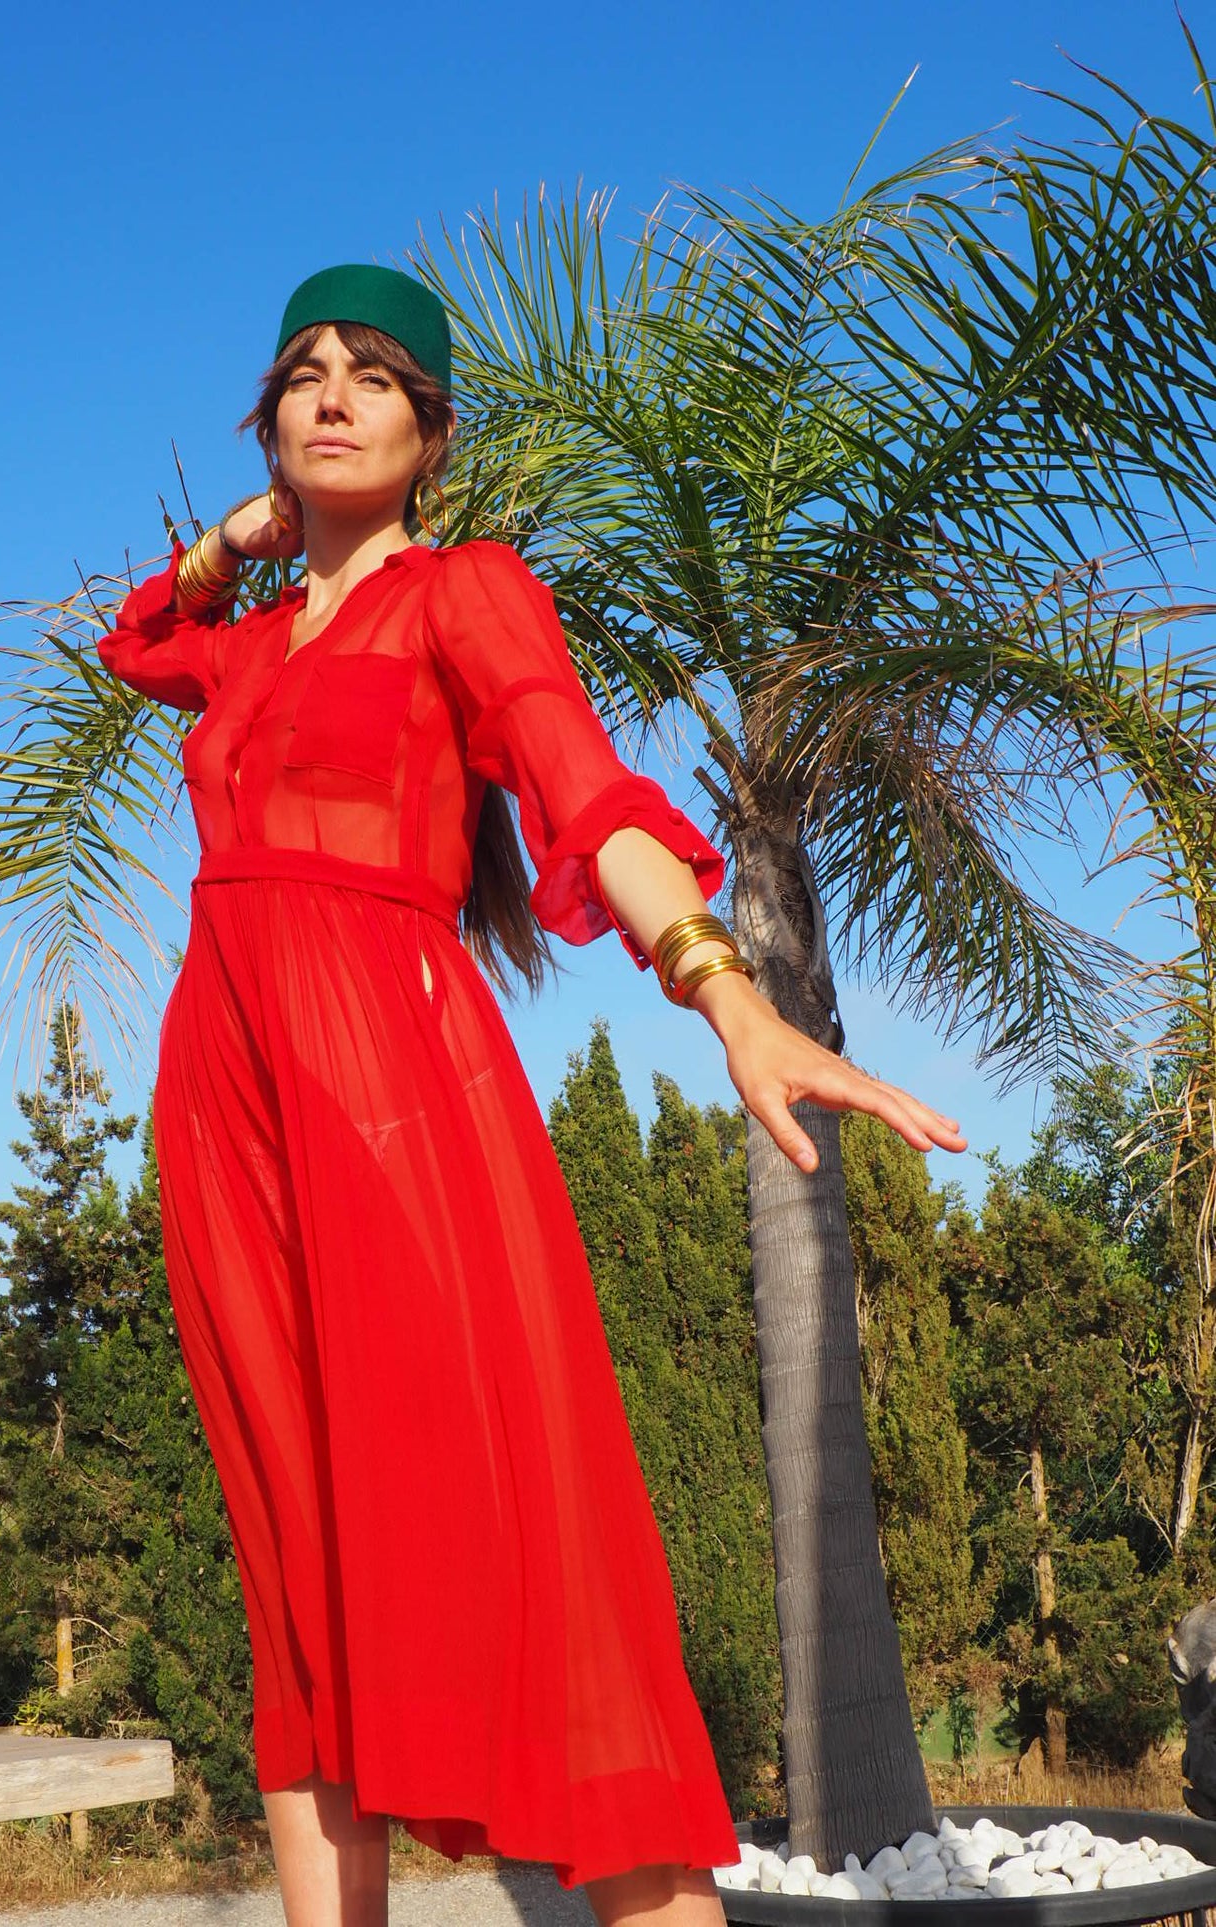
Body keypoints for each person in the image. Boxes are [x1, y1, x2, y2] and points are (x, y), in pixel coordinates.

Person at [98, 262, 966, 1927]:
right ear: (268, 424)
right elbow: (138, 644)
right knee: (299, 1557)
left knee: (508, 1525)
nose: (332, 394)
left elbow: (579, 778)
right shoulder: (252, 649)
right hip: (224, 1100)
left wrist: (725, 993)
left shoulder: (466, 592)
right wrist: (233, 544)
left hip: (387, 1088)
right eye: (301, 373)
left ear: (431, 431)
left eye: (373, 376)